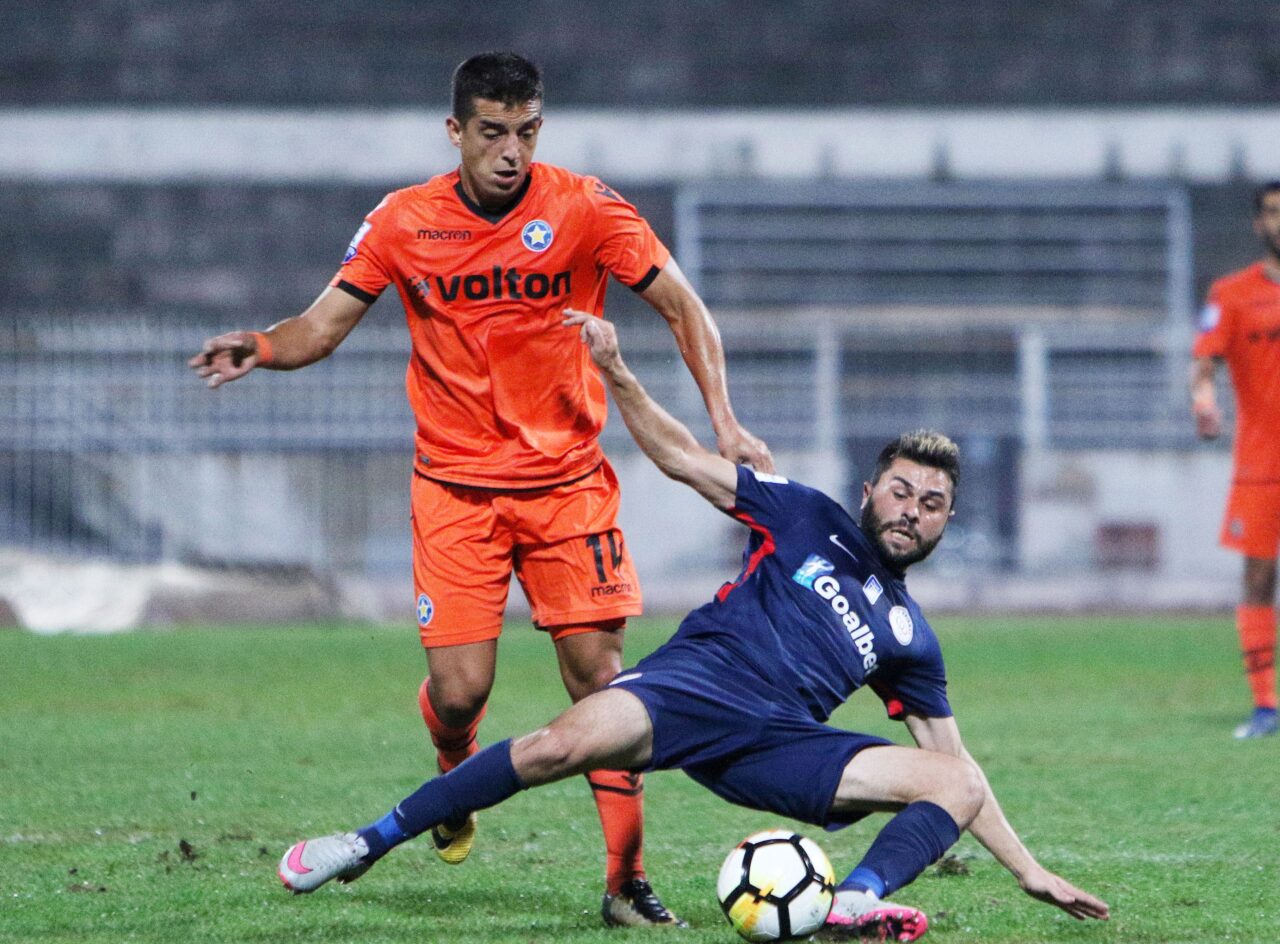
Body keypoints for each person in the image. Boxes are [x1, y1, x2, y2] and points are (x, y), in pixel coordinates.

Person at [276, 310, 1111, 941]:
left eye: (931, 503)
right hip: (691, 687)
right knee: (554, 747)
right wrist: (617, 370)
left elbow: (958, 770)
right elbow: (681, 458)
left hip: (778, 744)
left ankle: (853, 904)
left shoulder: (910, 637)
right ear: (869, 491)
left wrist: (1030, 871)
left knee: (954, 781)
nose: (911, 510)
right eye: (900, 490)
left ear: (946, 522)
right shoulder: (803, 514)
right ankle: (364, 842)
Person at [189, 52, 771, 927]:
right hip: (455, 494)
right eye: (492, 133)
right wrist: (263, 347)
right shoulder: (403, 221)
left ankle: (625, 882)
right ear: (455, 131)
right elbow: (322, 326)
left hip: (567, 488)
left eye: (527, 133)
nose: (511, 152)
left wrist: (724, 420)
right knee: (460, 692)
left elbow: (684, 305)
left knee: (603, 685)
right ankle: (453, 772)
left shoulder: (586, 209)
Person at [1191, 180, 1280, 740]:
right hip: (1261, 464)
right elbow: (1204, 366)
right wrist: (1203, 403)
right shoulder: (1231, 293)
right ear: (1258, 222)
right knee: (1258, 579)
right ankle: (1266, 705)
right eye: (1272, 211)